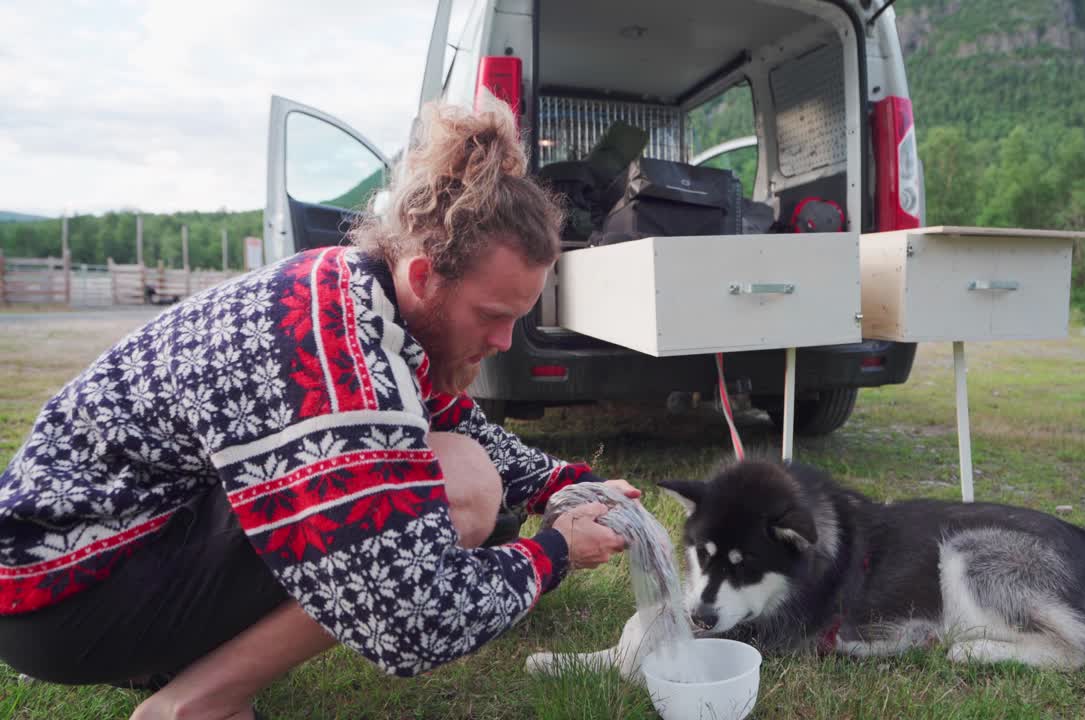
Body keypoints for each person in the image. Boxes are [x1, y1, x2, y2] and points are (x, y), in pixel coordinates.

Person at [0, 98, 636, 720]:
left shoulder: (356, 293)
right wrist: (555, 550)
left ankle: (180, 666)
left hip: (98, 557)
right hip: (66, 596)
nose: (502, 342)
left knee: (454, 461)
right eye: (494, 316)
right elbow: (411, 619)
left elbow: (450, 417)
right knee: (462, 487)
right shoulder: (335, 357)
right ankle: (194, 702)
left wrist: (567, 483)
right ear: (423, 278)